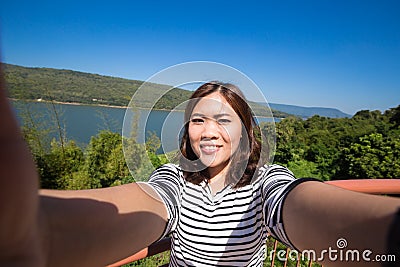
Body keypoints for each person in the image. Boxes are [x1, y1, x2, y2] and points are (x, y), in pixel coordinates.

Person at [0, 70, 399, 266]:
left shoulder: (265, 183)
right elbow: (151, 205)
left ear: (245, 131)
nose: (208, 132)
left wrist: (387, 237)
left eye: (224, 120)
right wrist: (34, 228)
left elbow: (296, 204)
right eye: (198, 120)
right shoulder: (173, 178)